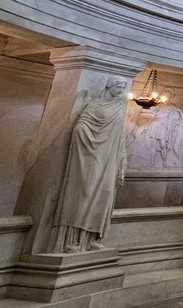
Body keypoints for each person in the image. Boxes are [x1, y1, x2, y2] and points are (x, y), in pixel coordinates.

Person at [48, 76, 130, 253]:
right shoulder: (94, 105)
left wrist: (122, 161)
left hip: (110, 159)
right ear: (109, 85)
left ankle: (92, 238)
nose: (121, 90)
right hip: (88, 156)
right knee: (83, 193)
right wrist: (87, 138)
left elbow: (121, 135)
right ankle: (71, 241)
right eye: (118, 86)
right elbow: (80, 127)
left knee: (104, 195)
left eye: (124, 87)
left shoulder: (121, 105)